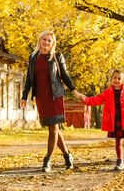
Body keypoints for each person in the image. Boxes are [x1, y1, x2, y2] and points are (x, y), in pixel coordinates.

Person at [20, 30, 83, 172]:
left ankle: (47, 160)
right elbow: (29, 79)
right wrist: (24, 96)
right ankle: (67, 156)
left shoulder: (56, 56)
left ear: (52, 43)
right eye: (44, 39)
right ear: (39, 40)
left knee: (53, 129)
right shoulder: (32, 58)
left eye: (49, 40)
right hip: (41, 98)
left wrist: (75, 92)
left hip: (55, 96)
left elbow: (65, 76)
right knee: (53, 128)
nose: (46, 42)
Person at [79, 69, 124, 172]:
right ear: (112, 79)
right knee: (118, 141)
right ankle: (120, 161)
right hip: (115, 120)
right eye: (115, 78)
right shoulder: (107, 92)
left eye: (119, 78)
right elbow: (97, 100)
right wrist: (85, 99)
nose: (116, 80)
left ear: (122, 80)